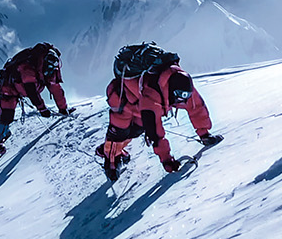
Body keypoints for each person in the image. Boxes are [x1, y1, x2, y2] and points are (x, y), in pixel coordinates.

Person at [95, 43, 222, 180]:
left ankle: (114, 151)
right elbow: (155, 134)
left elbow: (196, 107)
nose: (181, 102)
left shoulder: (183, 84)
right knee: (119, 135)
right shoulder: (152, 94)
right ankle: (111, 162)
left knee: (135, 131)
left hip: (139, 105)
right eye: (178, 98)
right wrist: (166, 160)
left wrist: (204, 134)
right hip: (125, 103)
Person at [0, 42, 72, 155]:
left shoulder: (50, 69)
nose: (50, 71)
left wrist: (63, 109)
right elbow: (31, 91)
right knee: (7, 115)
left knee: (6, 114)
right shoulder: (27, 67)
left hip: (19, 86)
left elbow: (56, 89)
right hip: (9, 88)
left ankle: (3, 132)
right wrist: (42, 109)